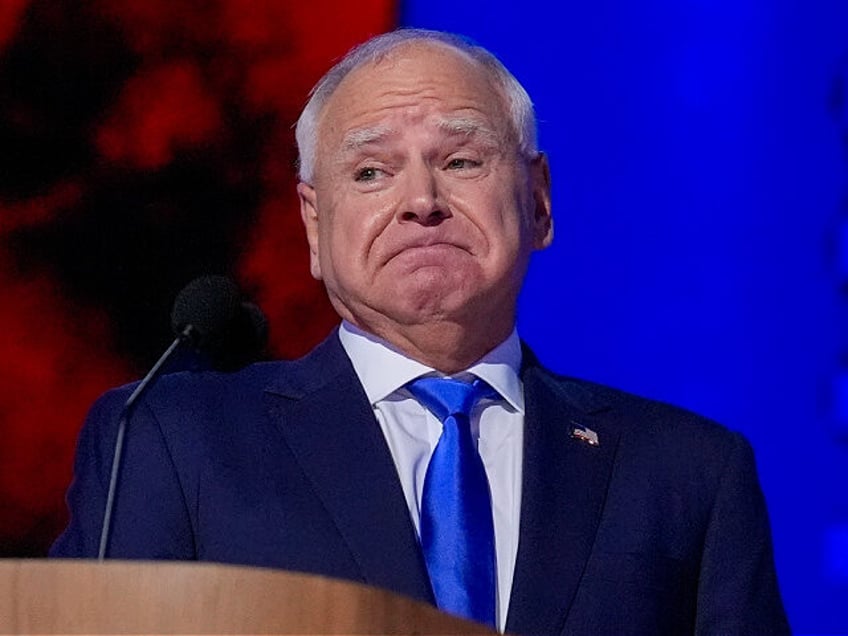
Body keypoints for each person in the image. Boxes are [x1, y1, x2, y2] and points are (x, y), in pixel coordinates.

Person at [51, 29, 790, 635]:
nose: (422, 202)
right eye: (371, 172)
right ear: (314, 222)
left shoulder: (689, 473)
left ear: (537, 200)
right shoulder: (171, 442)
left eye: (461, 160)